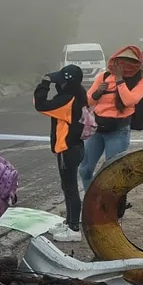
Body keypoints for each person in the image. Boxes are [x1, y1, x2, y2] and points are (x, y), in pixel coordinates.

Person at [79, 45, 143, 192]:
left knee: (113, 172)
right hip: (97, 128)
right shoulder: (103, 77)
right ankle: (91, 201)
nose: (124, 64)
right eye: (121, 60)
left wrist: (119, 79)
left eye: (129, 61)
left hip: (118, 131)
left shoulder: (141, 82)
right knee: (85, 169)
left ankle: (112, 206)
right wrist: (98, 92)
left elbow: (129, 101)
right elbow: (88, 101)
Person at [33, 65, 88, 242]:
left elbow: (40, 105)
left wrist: (43, 84)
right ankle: (69, 222)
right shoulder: (77, 93)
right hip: (74, 147)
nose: (58, 84)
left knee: (71, 189)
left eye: (60, 81)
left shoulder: (67, 100)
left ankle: (73, 229)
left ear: (67, 82)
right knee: (67, 187)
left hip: (68, 149)